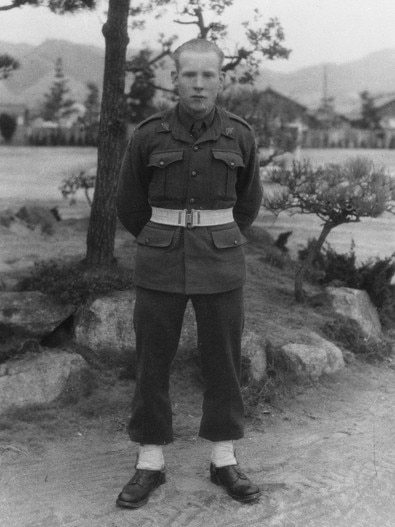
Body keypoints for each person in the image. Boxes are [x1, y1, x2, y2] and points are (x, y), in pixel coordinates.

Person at [116, 38, 263, 509]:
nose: (198, 84)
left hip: (221, 262)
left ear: (222, 79)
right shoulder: (149, 135)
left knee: (223, 361)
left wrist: (215, 235)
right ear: (174, 79)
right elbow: (130, 204)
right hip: (159, 262)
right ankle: (150, 462)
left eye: (208, 75)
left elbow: (248, 203)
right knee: (151, 362)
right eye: (188, 75)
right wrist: (164, 236)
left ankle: (224, 459)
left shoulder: (239, 135)